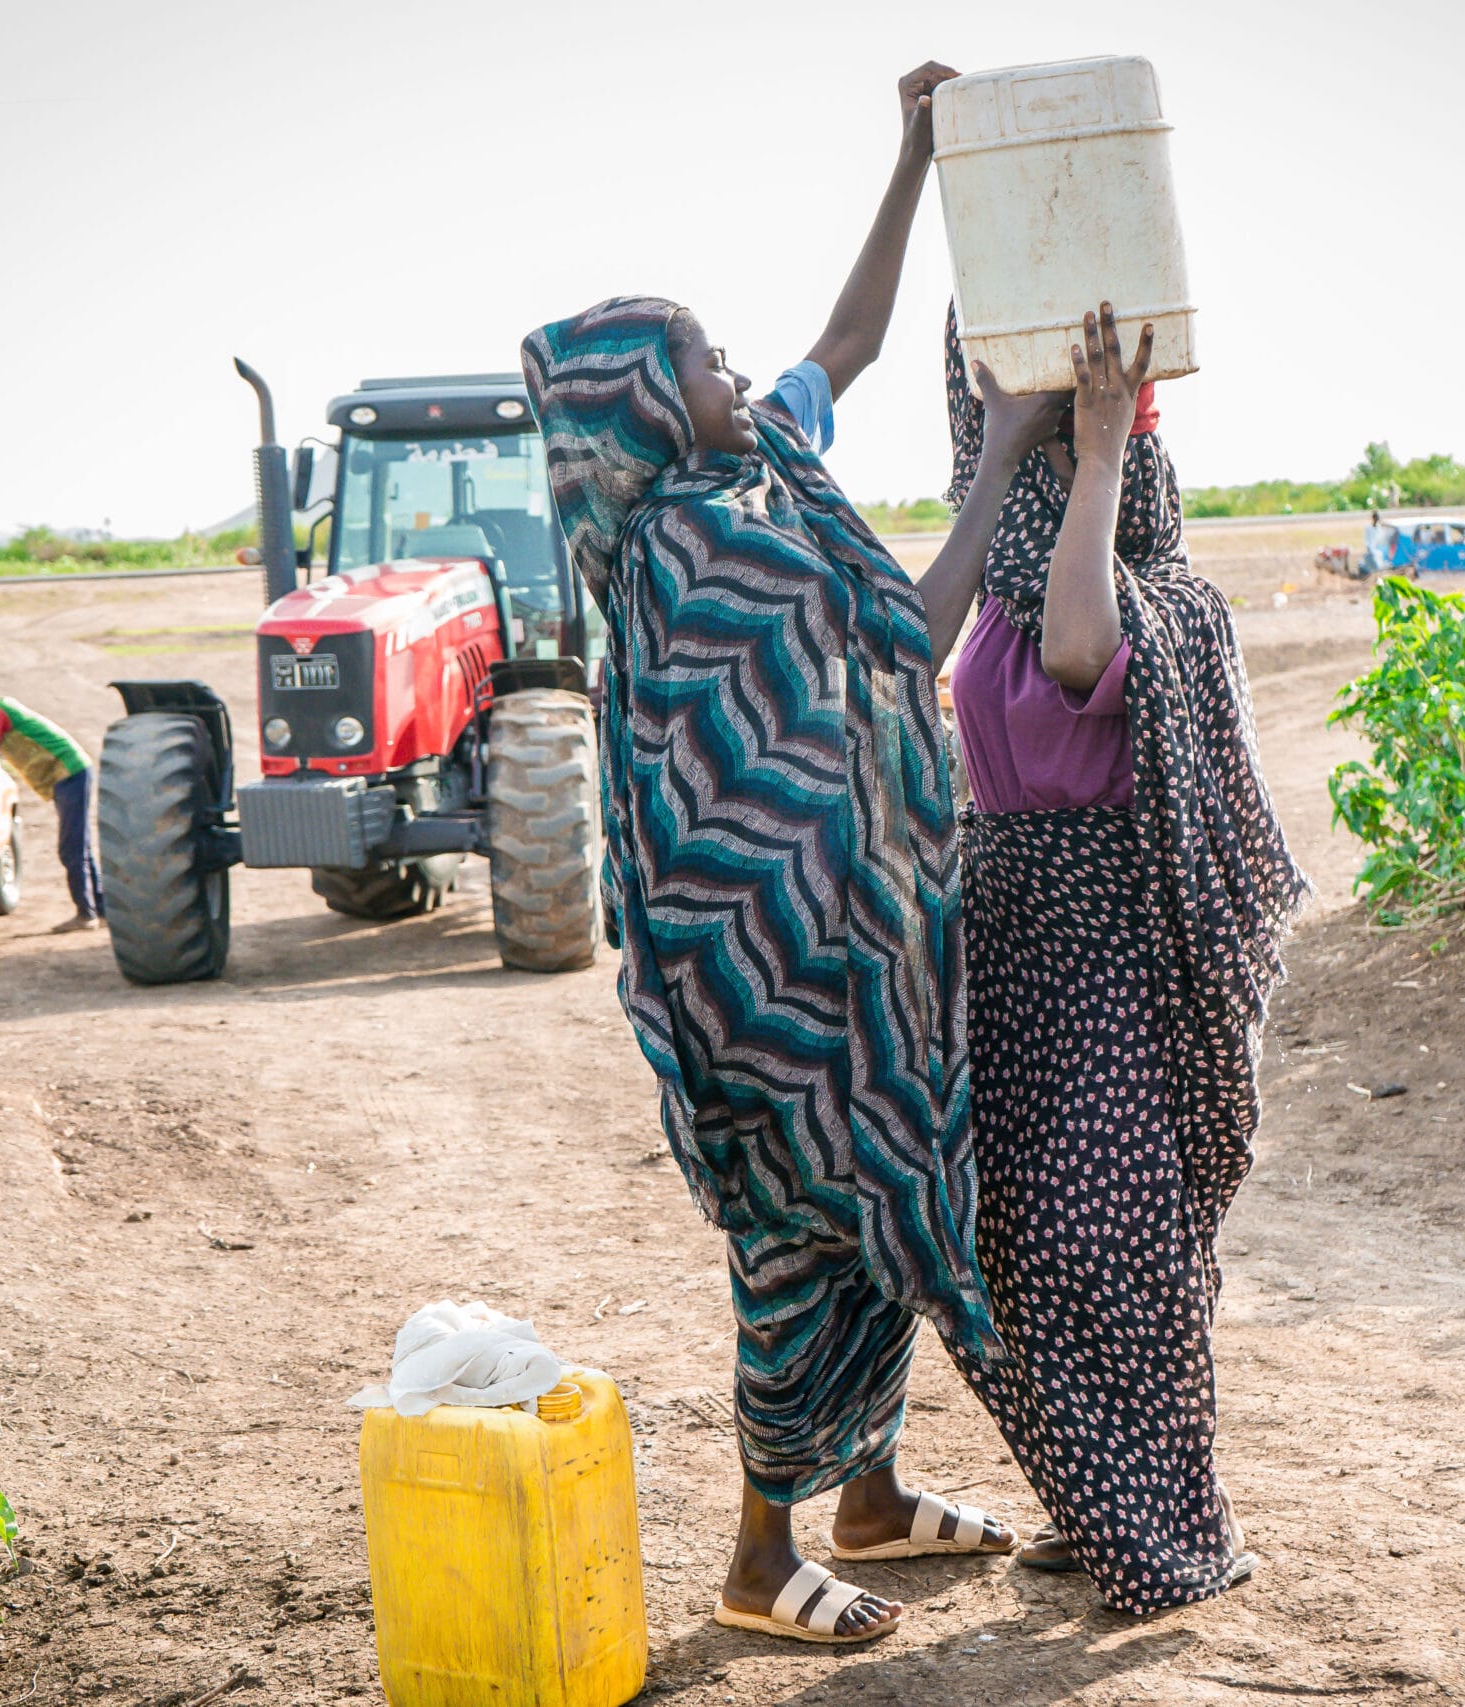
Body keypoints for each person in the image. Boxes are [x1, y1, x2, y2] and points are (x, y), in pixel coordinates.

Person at [519, 62, 1040, 1649]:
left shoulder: (761, 464)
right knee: (809, 1218)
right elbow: (911, 643)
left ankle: (868, 1497)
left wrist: (915, 156)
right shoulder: (699, 541)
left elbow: (854, 341)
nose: (732, 359)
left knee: (877, 1194)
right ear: (641, 402)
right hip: (767, 967)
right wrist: (1008, 444)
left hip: (854, 925)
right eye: (695, 350)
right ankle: (759, 1555)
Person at [930, 301, 1313, 1614]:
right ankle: (1094, 1494)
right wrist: (1009, 439)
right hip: (1001, 950)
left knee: (1113, 1242)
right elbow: (927, 647)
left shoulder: (1162, 597)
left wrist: (1095, 455)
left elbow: (1080, 646)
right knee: (1005, 1247)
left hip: (1100, 959)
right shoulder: (995, 596)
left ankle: (1166, 1527)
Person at [0, 670, 102, 930]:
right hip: (70, 772)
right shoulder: (3, 711)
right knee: (80, 846)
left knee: (72, 848)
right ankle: (97, 910)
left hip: (68, 772)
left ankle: (86, 915)